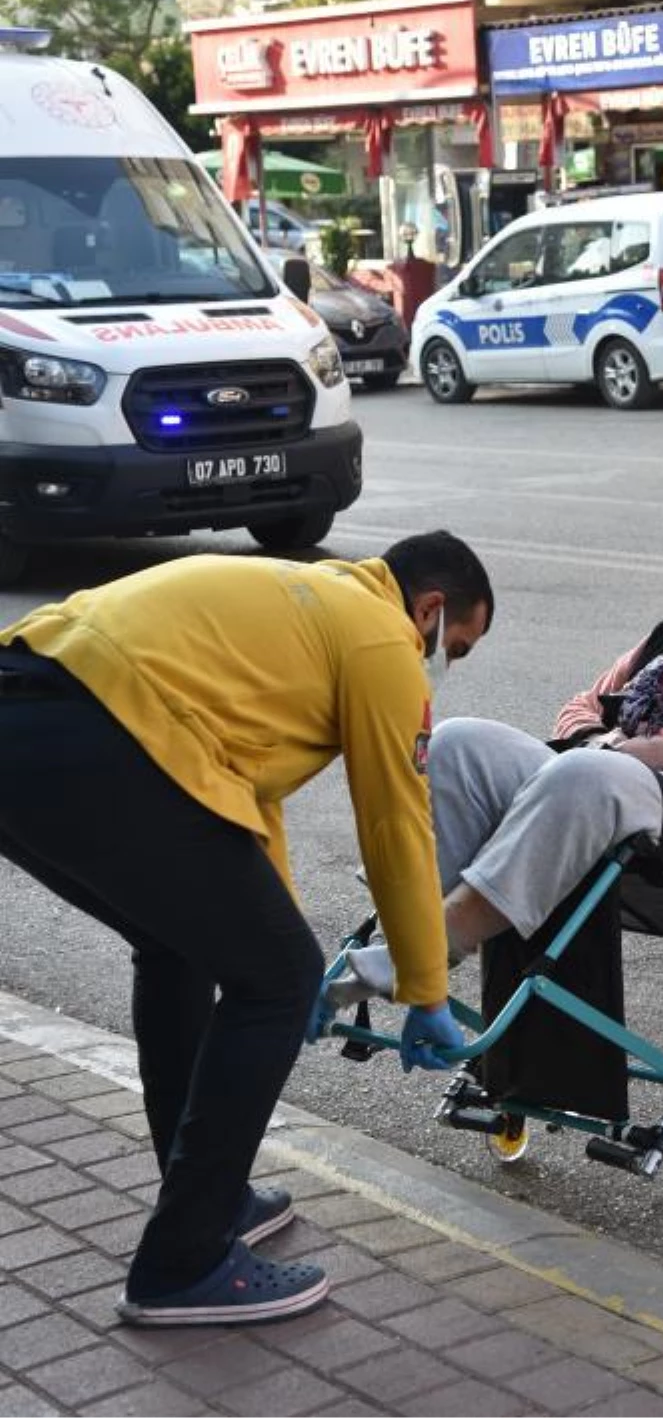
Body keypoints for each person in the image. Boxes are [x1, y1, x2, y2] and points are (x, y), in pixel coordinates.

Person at [0, 532, 492, 1328]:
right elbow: (397, 824)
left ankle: (206, 1198)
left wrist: (268, 945)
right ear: (430, 608)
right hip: (100, 733)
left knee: (186, 951)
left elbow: (239, 806)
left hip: (27, 713)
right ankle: (184, 1261)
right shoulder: (381, 641)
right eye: (456, 646)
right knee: (278, 975)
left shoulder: (304, 599)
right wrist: (424, 985)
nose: (446, 663)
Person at [332, 488, 663, 1001]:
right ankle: (408, 924)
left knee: (592, 774)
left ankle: (439, 944)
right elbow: (581, 706)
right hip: (621, 790)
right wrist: (599, 739)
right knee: (456, 743)